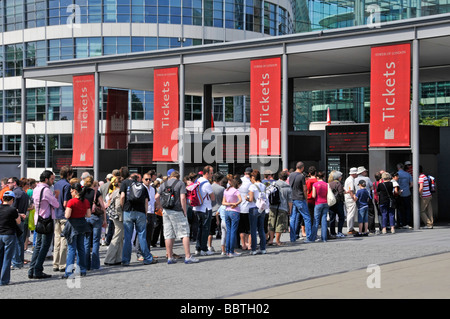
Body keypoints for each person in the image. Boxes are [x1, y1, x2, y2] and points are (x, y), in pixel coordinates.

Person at [156, 170, 199, 264]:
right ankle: (188, 256)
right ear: (178, 176)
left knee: (168, 234)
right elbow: (183, 198)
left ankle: (170, 257)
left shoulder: (164, 184)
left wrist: (161, 207)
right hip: (177, 210)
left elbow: (156, 197)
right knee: (184, 233)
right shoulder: (180, 183)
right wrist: (184, 211)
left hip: (166, 211)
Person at [120, 167, 156, 266]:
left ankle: (125, 260)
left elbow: (122, 196)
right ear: (138, 179)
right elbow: (146, 202)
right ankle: (147, 258)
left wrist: (123, 207)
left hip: (128, 212)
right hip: (140, 213)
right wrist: (145, 213)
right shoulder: (143, 187)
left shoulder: (125, 183)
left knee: (128, 237)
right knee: (142, 236)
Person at [28, 170, 59, 280]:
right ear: (46, 179)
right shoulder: (46, 190)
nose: (52, 181)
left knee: (38, 245)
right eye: (51, 179)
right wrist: (56, 196)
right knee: (45, 246)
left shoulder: (36, 189)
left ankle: (31, 270)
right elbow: (56, 204)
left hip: (38, 219)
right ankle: (38, 270)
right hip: (46, 220)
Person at [61, 183, 92, 279]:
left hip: (72, 226)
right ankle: (82, 269)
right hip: (82, 225)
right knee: (81, 248)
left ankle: (69, 272)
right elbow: (88, 215)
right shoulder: (86, 201)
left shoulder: (71, 201)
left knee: (71, 249)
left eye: (71, 190)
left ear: (75, 191)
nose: (70, 192)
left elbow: (67, 215)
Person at [52, 165, 73, 273]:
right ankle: (62, 264)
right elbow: (66, 203)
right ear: (69, 174)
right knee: (64, 239)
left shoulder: (56, 184)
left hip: (56, 214)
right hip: (64, 215)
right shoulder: (67, 185)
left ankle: (55, 263)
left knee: (56, 240)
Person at [83, 176, 107, 270]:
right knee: (96, 241)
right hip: (95, 218)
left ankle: (86, 264)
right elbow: (103, 207)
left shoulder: (83, 192)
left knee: (86, 241)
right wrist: (104, 220)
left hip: (85, 217)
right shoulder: (96, 193)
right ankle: (95, 265)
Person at [192, 165, 215, 256]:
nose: (212, 175)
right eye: (211, 173)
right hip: (205, 208)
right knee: (205, 229)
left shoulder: (197, 181)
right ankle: (204, 249)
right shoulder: (206, 183)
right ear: (206, 173)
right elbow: (212, 197)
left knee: (199, 229)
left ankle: (198, 248)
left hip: (196, 208)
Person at [0, 191, 21, 285]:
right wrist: (18, 214)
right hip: (9, 234)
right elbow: (19, 222)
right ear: (12, 200)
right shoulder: (12, 210)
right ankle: (4, 280)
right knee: (7, 258)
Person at [8, 177, 29, 270]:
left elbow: (13, 209)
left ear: (15, 183)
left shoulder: (15, 193)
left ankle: (16, 262)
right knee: (20, 241)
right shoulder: (24, 193)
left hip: (16, 220)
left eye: (9, 182)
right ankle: (20, 261)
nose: (8, 184)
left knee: (16, 241)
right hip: (22, 219)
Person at [267, 170, 292, 246]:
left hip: (273, 206)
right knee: (280, 224)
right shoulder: (288, 187)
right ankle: (278, 241)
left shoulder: (273, 184)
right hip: (283, 207)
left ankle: (271, 240)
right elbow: (290, 200)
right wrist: (290, 210)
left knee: (271, 222)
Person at [289, 162, 311, 242]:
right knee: (307, 217)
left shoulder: (291, 175)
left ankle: (292, 238)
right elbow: (304, 189)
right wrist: (306, 199)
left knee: (293, 218)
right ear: (302, 168)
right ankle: (309, 237)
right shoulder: (301, 176)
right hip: (300, 198)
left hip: (292, 198)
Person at [104, 176, 123, 266]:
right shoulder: (119, 192)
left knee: (119, 236)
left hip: (115, 216)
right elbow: (118, 206)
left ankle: (118, 257)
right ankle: (110, 258)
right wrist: (121, 215)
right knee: (117, 236)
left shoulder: (115, 191)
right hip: (118, 216)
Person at [222, 177, 242, 257]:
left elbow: (223, 202)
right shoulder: (236, 191)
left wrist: (230, 204)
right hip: (235, 211)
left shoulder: (226, 190)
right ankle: (231, 251)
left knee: (229, 232)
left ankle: (227, 251)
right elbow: (240, 200)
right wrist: (235, 204)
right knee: (233, 231)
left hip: (227, 211)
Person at [248, 169, 267, 254]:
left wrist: (246, 198)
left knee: (253, 229)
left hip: (254, 208)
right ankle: (263, 248)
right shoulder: (263, 186)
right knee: (261, 229)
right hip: (262, 208)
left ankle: (253, 249)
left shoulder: (252, 186)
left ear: (253, 177)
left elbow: (251, 199)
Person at [238, 167, 255, 250]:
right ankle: (249, 245)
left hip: (239, 207)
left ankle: (243, 244)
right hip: (248, 207)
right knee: (249, 229)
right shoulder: (251, 183)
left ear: (245, 173)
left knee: (241, 229)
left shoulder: (239, 181)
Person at [311, 171, 329, 242]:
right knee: (324, 220)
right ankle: (324, 238)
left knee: (316, 220)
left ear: (317, 177)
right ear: (323, 177)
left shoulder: (315, 184)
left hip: (318, 203)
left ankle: (313, 237)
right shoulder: (326, 184)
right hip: (325, 203)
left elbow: (313, 195)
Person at [209, 172, 224, 253]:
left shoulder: (209, 187)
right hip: (220, 211)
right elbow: (223, 201)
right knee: (222, 231)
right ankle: (223, 248)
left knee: (210, 232)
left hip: (211, 211)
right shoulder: (221, 189)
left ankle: (209, 246)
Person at [328, 171, 346, 238]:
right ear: (338, 177)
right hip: (338, 203)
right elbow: (340, 193)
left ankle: (332, 232)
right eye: (340, 176)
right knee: (341, 217)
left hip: (331, 203)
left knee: (332, 218)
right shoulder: (339, 184)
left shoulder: (329, 184)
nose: (341, 177)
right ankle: (339, 231)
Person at [397, 163, 413, 229]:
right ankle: (408, 222)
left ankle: (401, 223)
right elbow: (412, 184)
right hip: (407, 193)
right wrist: (407, 187)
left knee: (400, 209)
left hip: (399, 194)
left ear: (398, 168)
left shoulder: (396, 174)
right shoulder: (408, 174)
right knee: (408, 208)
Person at [344, 167, 358, 235]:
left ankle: (351, 228)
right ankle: (350, 228)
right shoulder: (350, 180)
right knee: (351, 213)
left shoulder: (349, 179)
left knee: (350, 213)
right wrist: (353, 197)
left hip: (348, 198)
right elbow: (351, 190)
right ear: (354, 173)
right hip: (350, 198)